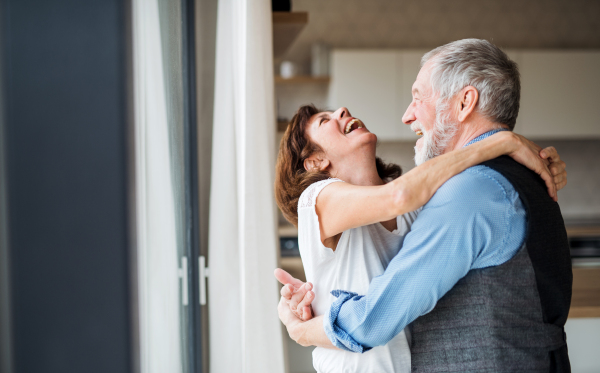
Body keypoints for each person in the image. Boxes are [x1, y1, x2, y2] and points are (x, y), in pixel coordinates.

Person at [275, 39, 572, 373]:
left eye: (418, 97)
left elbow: (374, 318)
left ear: (464, 103)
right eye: (324, 120)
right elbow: (401, 196)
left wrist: (303, 329)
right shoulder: (319, 198)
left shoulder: (460, 192)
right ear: (315, 160)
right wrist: (501, 141)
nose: (407, 115)